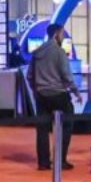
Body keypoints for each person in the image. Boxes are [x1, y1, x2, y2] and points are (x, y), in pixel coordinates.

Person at [29, 23, 80, 171]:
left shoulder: (37, 53)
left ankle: (43, 162)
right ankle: (60, 160)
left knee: (42, 129)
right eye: (62, 34)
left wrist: (36, 90)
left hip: (41, 95)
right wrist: (76, 92)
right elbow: (67, 76)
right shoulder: (59, 52)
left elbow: (29, 76)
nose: (63, 37)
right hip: (58, 94)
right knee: (67, 124)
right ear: (56, 34)